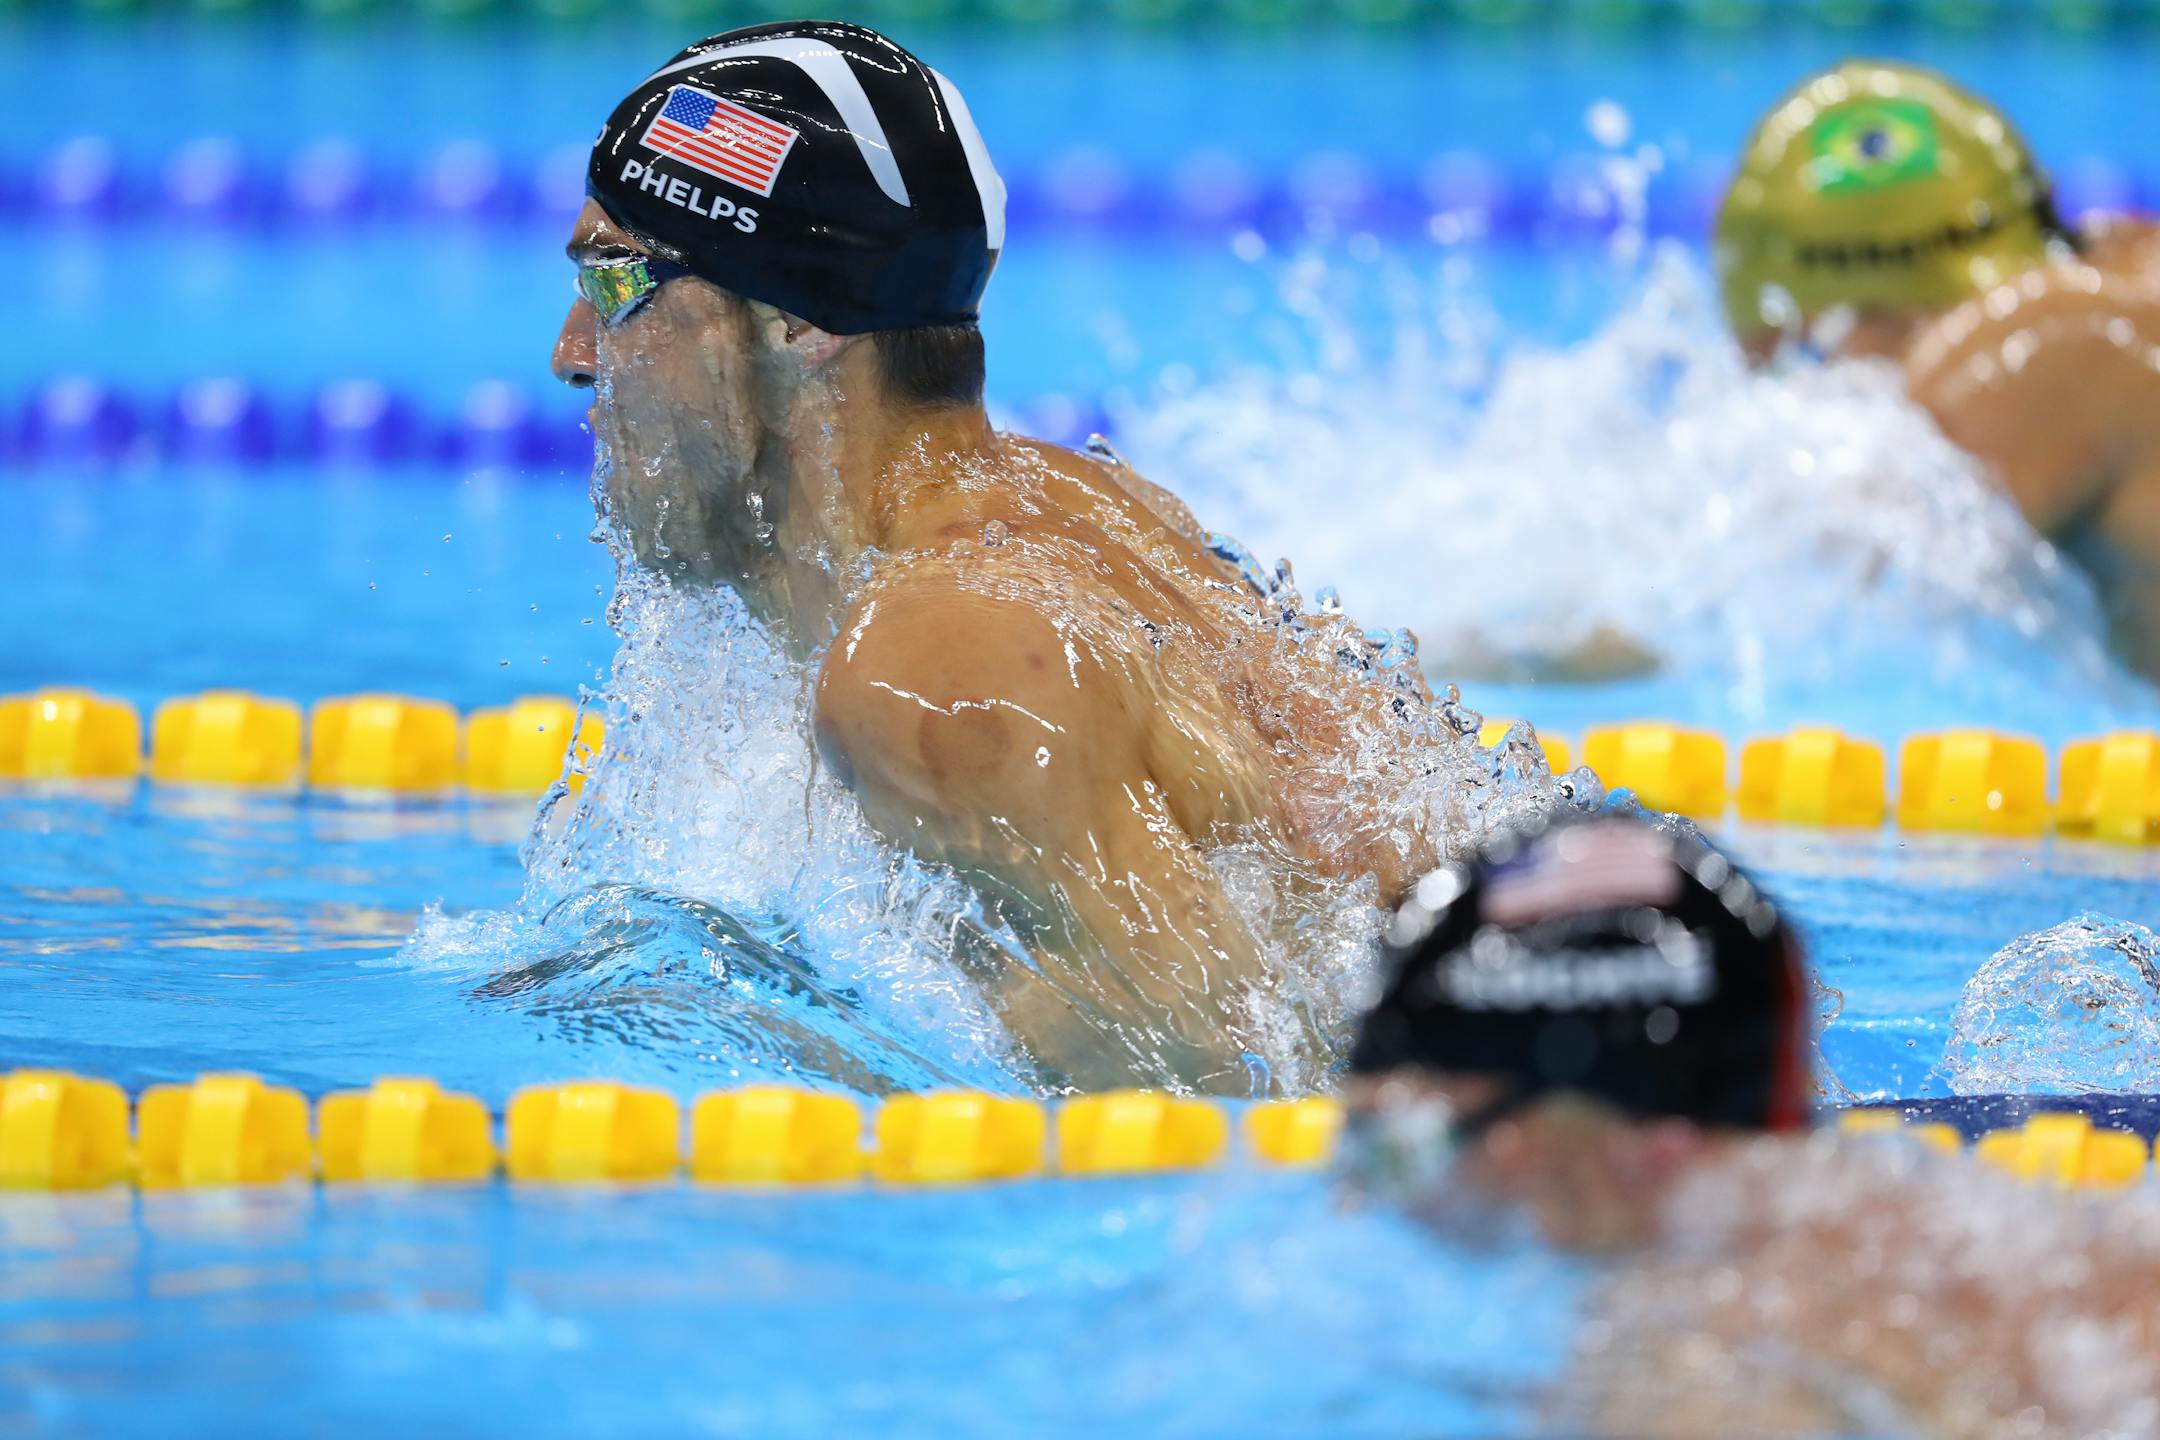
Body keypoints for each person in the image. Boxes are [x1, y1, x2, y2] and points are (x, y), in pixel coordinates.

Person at [550, 21, 1533, 1092]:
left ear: (800, 323)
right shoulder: (1076, 503)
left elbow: (1205, 1116)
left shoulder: (936, 668)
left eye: (615, 284)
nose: (571, 355)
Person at [1345, 812, 2160, 1437]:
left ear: (1624, 1136)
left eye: (1409, 1143)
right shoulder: (1958, 1243)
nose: (1358, 1196)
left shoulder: (1708, 1365)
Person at [1716, 59, 2160, 675]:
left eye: (1807, 363)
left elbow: (1733, 614)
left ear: (1857, 318)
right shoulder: (2125, 270)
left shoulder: (2045, 341)